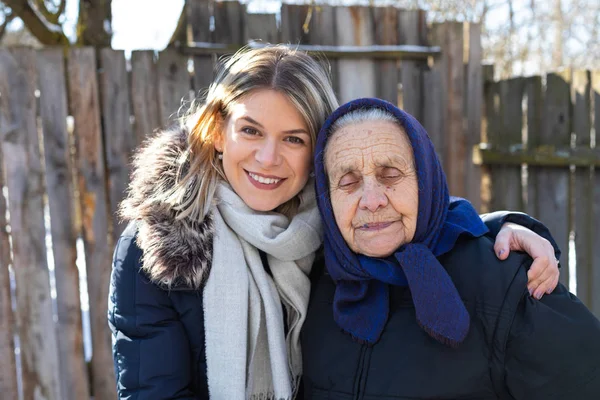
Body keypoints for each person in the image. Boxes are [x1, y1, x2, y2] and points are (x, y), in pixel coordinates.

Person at [108, 46, 560, 400]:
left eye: (293, 138)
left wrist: (502, 229)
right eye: (250, 130)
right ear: (217, 133)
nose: (268, 158)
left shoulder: (334, 228)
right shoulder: (158, 248)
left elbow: (413, 214)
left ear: (320, 153)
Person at [302, 97, 600, 399]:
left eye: (390, 175)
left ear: (425, 180)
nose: (371, 200)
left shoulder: (503, 282)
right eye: (348, 182)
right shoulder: (305, 283)